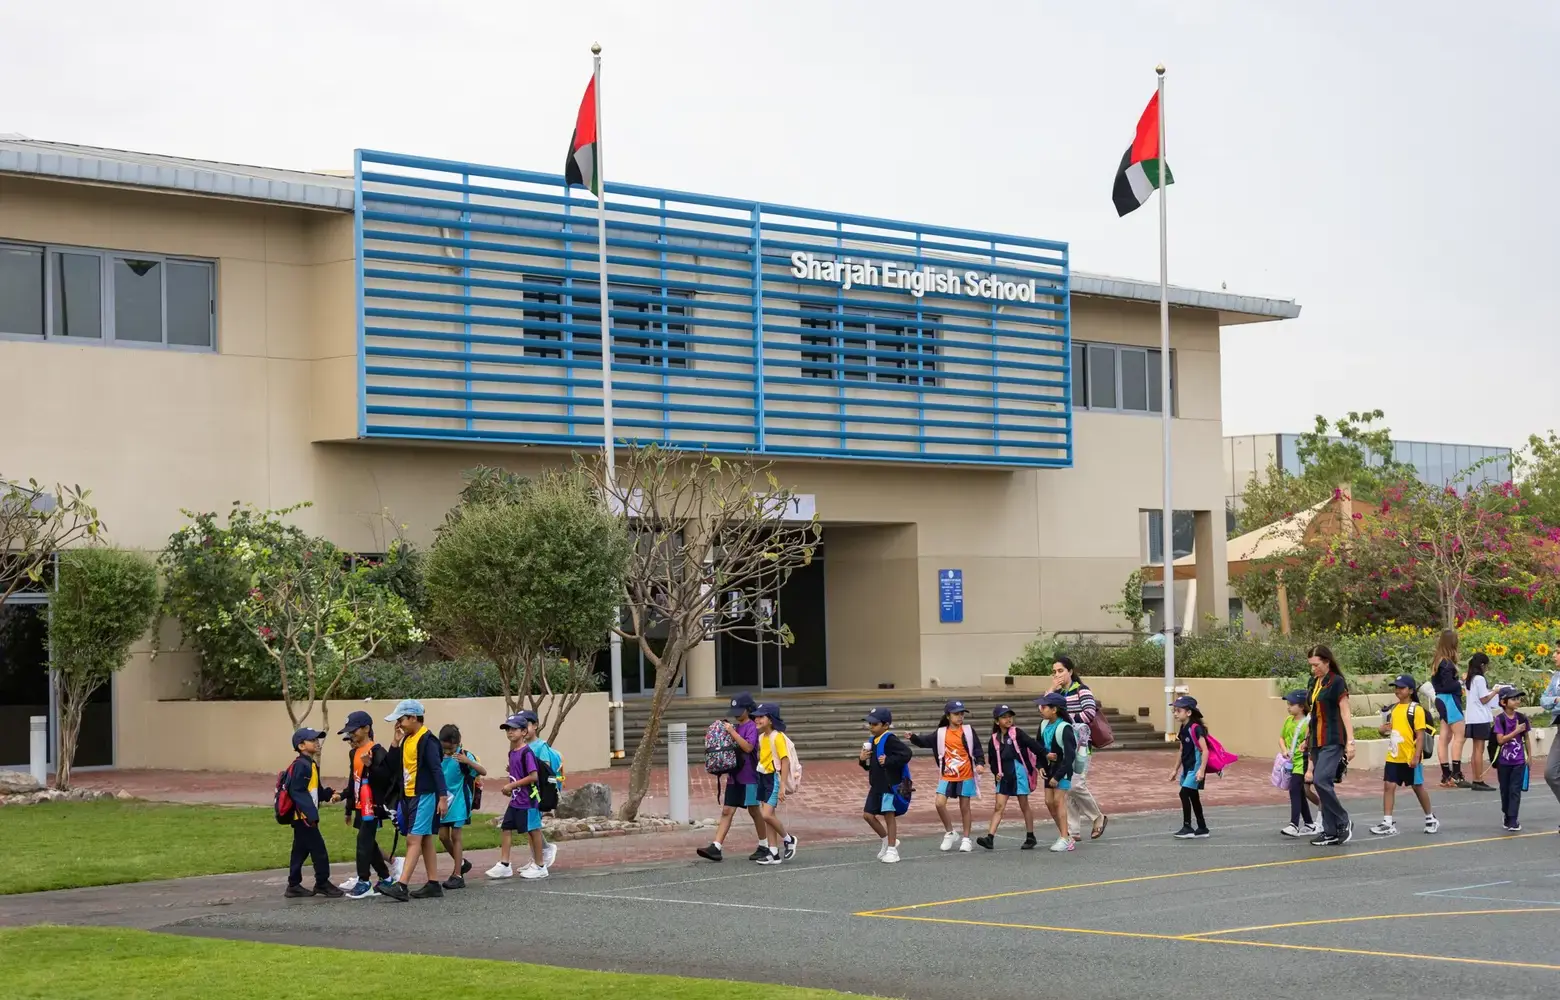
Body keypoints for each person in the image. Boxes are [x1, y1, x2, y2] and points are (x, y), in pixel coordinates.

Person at [380, 698, 451, 901]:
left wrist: (442, 797)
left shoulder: (428, 740)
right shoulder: (407, 739)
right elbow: (393, 765)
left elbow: (437, 770)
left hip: (424, 795)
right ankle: (433, 883)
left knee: (414, 839)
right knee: (426, 837)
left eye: (401, 719)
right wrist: (395, 741)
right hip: (410, 795)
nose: (399, 724)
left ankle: (401, 885)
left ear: (413, 717)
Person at [907, 699, 987, 853]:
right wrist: (913, 737)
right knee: (939, 803)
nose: (960, 717)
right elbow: (925, 742)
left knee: (964, 807)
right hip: (947, 775)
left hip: (965, 774)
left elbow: (977, 749)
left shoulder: (968, 731)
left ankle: (966, 838)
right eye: (956, 714)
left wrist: (980, 764)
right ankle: (950, 832)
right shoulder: (941, 733)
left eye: (962, 714)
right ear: (948, 716)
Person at [697, 692, 767, 863]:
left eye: (740, 709)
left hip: (749, 776)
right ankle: (716, 847)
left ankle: (764, 845)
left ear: (747, 709)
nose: (736, 713)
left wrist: (731, 732)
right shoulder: (734, 726)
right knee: (727, 810)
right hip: (734, 776)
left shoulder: (751, 726)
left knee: (754, 810)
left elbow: (749, 747)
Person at [1369, 675, 1439, 837]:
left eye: (1402, 688)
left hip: (1410, 756)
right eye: (1396, 687)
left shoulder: (1416, 709)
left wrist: (1416, 756)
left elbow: (1420, 735)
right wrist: (1382, 729)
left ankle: (1430, 818)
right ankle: (1387, 822)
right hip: (1394, 755)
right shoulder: (1393, 709)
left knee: (1417, 787)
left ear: (1411, 691)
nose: (1398, 690)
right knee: (1389, 785)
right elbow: (1388, 730)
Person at [336, 710, 393, 899]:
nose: (351, 734)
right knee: (370, 844)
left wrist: (370, 765)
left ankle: (364, 881)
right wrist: (347, 804)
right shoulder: (354, 752)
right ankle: (385, 878)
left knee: (363, 842)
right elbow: (354, 781)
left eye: (354, 730)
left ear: (366, 728)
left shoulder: (376, 751)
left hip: (373, 806)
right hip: (360, 806)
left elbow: (386, 778)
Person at [282, 727, 344, 899]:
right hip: (304, 817)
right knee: (319, 850)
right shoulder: (302, 765)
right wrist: (311, 815)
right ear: (301, 746)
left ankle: (293, 885)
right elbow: (298, 792)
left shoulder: (310, 764)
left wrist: (327, 794)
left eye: (318, 739)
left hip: (303, 817)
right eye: (313, 740)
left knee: (300, 851)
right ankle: (322, 883)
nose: (317, 742)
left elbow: (313, 790)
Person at [1051, 657, 1108, 841]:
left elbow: (1089, 713)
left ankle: (1097, 817)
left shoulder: (1082, 690)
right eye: (1055, 672)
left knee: (1076, 784)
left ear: (1070, 671)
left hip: (1082, 745)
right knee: (1067, 787)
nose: (1057, 675)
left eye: (1060, 671)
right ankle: (1073, 830)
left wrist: (1067, 719)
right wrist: (1052, 690)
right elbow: (1044, 708)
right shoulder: (1058, 694)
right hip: (1064, 744)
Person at [1305, 645, 1355, 847]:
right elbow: (1313, 714)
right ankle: (1330, 831)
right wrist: (1306, 738)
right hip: (1316, 741)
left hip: (1333, 738)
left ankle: (1344, 819)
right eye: (1311, 666)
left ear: (1326, 662)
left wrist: (1350, 742)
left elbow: (1345, 712)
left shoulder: (1337, 682)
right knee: (1324, 784)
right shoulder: (1314, 682)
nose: (1313, 669)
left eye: (1316, 665)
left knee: (1321, 780)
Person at [976, 705, 1044, 850]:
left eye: (1009, 716)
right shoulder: (994, 739)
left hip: (1019, 772)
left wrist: (1045, 754)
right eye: (1004, 717)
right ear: (996, 721)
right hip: (1004, 775)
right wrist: (996, 773)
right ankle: (990, 838)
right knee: (998, 806)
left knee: (1024, 804)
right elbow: (993, 760)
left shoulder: (1017, 733)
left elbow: (1033, 745)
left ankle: (1030, 836)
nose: (1008, 719)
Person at [489, 712, 549, 879]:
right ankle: (505, 864)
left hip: (528, 800)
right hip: (516, 800)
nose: (510, 732)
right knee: (506, 828)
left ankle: (540, 865)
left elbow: (533, 776)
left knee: (533, 831)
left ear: (524, 732)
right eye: (507, 729)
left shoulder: (526, 752)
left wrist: (511, 785)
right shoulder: (513, 753)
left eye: (514, 729)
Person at [860, 707, 912, 863]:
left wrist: (888, 761)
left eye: (874, 724)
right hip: (876, 785)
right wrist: (862, 759)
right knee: (868, 815)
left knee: (889, 815)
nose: (871, 727)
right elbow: (870, 766)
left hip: (889, 785)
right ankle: (887, 840)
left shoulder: (890, 739)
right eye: (870, 723)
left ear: (885, 725)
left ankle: (892, 850)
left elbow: (906, 753)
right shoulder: (872, 741)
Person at [436, 723, 485, 890]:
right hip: (443, 801)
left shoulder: (463, 755)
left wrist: (467, 761)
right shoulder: (439, 755)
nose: (447, 751)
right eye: (444, 748)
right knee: (443, 836)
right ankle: (461, 862)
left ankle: (457, 874)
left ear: (456, 743)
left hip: (459, 800)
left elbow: (482, 771)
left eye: (449, 748)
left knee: (456, 835)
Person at [752, 703, 797, 865]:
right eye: (756, 716)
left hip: (774, 779)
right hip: (763, 777)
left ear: (770, 720)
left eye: (761, 717)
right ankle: (773, 852)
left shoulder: (777, 737)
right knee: (768, 817)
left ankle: (788, 839)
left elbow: (785, 761)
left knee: (766, 814)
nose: (756, 719)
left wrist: (782, 786)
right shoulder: (761, 737)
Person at [1036, 692, 1078, 851]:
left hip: (1062, 769)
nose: (1041, 709)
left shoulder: (1064, 728)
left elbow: (1070, 756)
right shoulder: (1043, 724)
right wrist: (1040, 765)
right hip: (1048, 768)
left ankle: (1064, 838)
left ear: (1054, 710)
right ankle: (1065, 834)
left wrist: (1058, 776)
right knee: (1049, 802)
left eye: (1044, 706)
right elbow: (1038, 747)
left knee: (1059, 801)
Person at [1492, 686, 1533, 832]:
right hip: (1504, 762)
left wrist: (1530, 756)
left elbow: (1526, 738)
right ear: (1503, 702)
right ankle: (1507, 814)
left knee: (1515, 789)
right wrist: (1516, 731)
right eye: (1513, 699)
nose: (1517, 701)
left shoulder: (1522, 718)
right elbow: (1500, 740)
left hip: (1519, 761)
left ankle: (1513, 819)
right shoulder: (1500, 719)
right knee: (1505, 790)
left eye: (1518, 698)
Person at [1430, 629, 1468, 788]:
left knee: (1445, 737)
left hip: (1441, 699)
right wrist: (1461, 681)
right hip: (1450, 700)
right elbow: (1448, 684)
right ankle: (1456, 774)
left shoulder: (1438, 661)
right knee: (1460, 735)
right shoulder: (1446, 663)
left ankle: (1446, 775)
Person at [1168, 696, 1210, 839]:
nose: (1175, 713)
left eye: (1178, 710)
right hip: (1187, 769)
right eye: (1174, 710)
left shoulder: (1196, 729)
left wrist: (1202, 770)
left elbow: (1205, 750)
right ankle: (1202, 827)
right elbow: (1181, 750)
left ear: (1189, 712)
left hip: (1195, 768)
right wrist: (1175, 769)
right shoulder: (1183, 728)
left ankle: (1187, 827)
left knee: (1184, 794)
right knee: (1193, 796)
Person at [1278, 690, 1319, 837]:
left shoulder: (1307, 723)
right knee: (1299, 791)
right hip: (1291, 761)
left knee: (1294, 789)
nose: (1288, 707)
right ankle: (1309, 823)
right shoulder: (1288, 720)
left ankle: (1294, 825)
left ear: (1302, 706)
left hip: (1302, 760)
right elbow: (1281, 738)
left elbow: (1310, 742)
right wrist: (1284, 750)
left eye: (1291, 704)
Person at [526, 722, 564, 871]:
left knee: (532, 825)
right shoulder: (524, 747)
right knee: (529, 826)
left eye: (526, 726)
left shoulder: (540, 747)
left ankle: (543, 854)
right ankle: (535, 858)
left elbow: (545, 770)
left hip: (538, 793)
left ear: (535, 726)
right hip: (527, 792)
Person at [1462, 652, 1498, 791]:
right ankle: (1479, 779)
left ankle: (1476, 777)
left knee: (1475, 749)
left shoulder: (1469, 679)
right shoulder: (1480, 679)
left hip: (1471, 717)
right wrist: (1495, 691)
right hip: (1480, 717)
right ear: (1482, 665)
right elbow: (1484, 699)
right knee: (1479, 749)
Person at [1541, 648, 1560, 817]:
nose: (1554, 655)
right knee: (1550, 773)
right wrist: (1556, 699)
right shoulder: (1556, 678)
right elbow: (1543, 700)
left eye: (1558, 652)